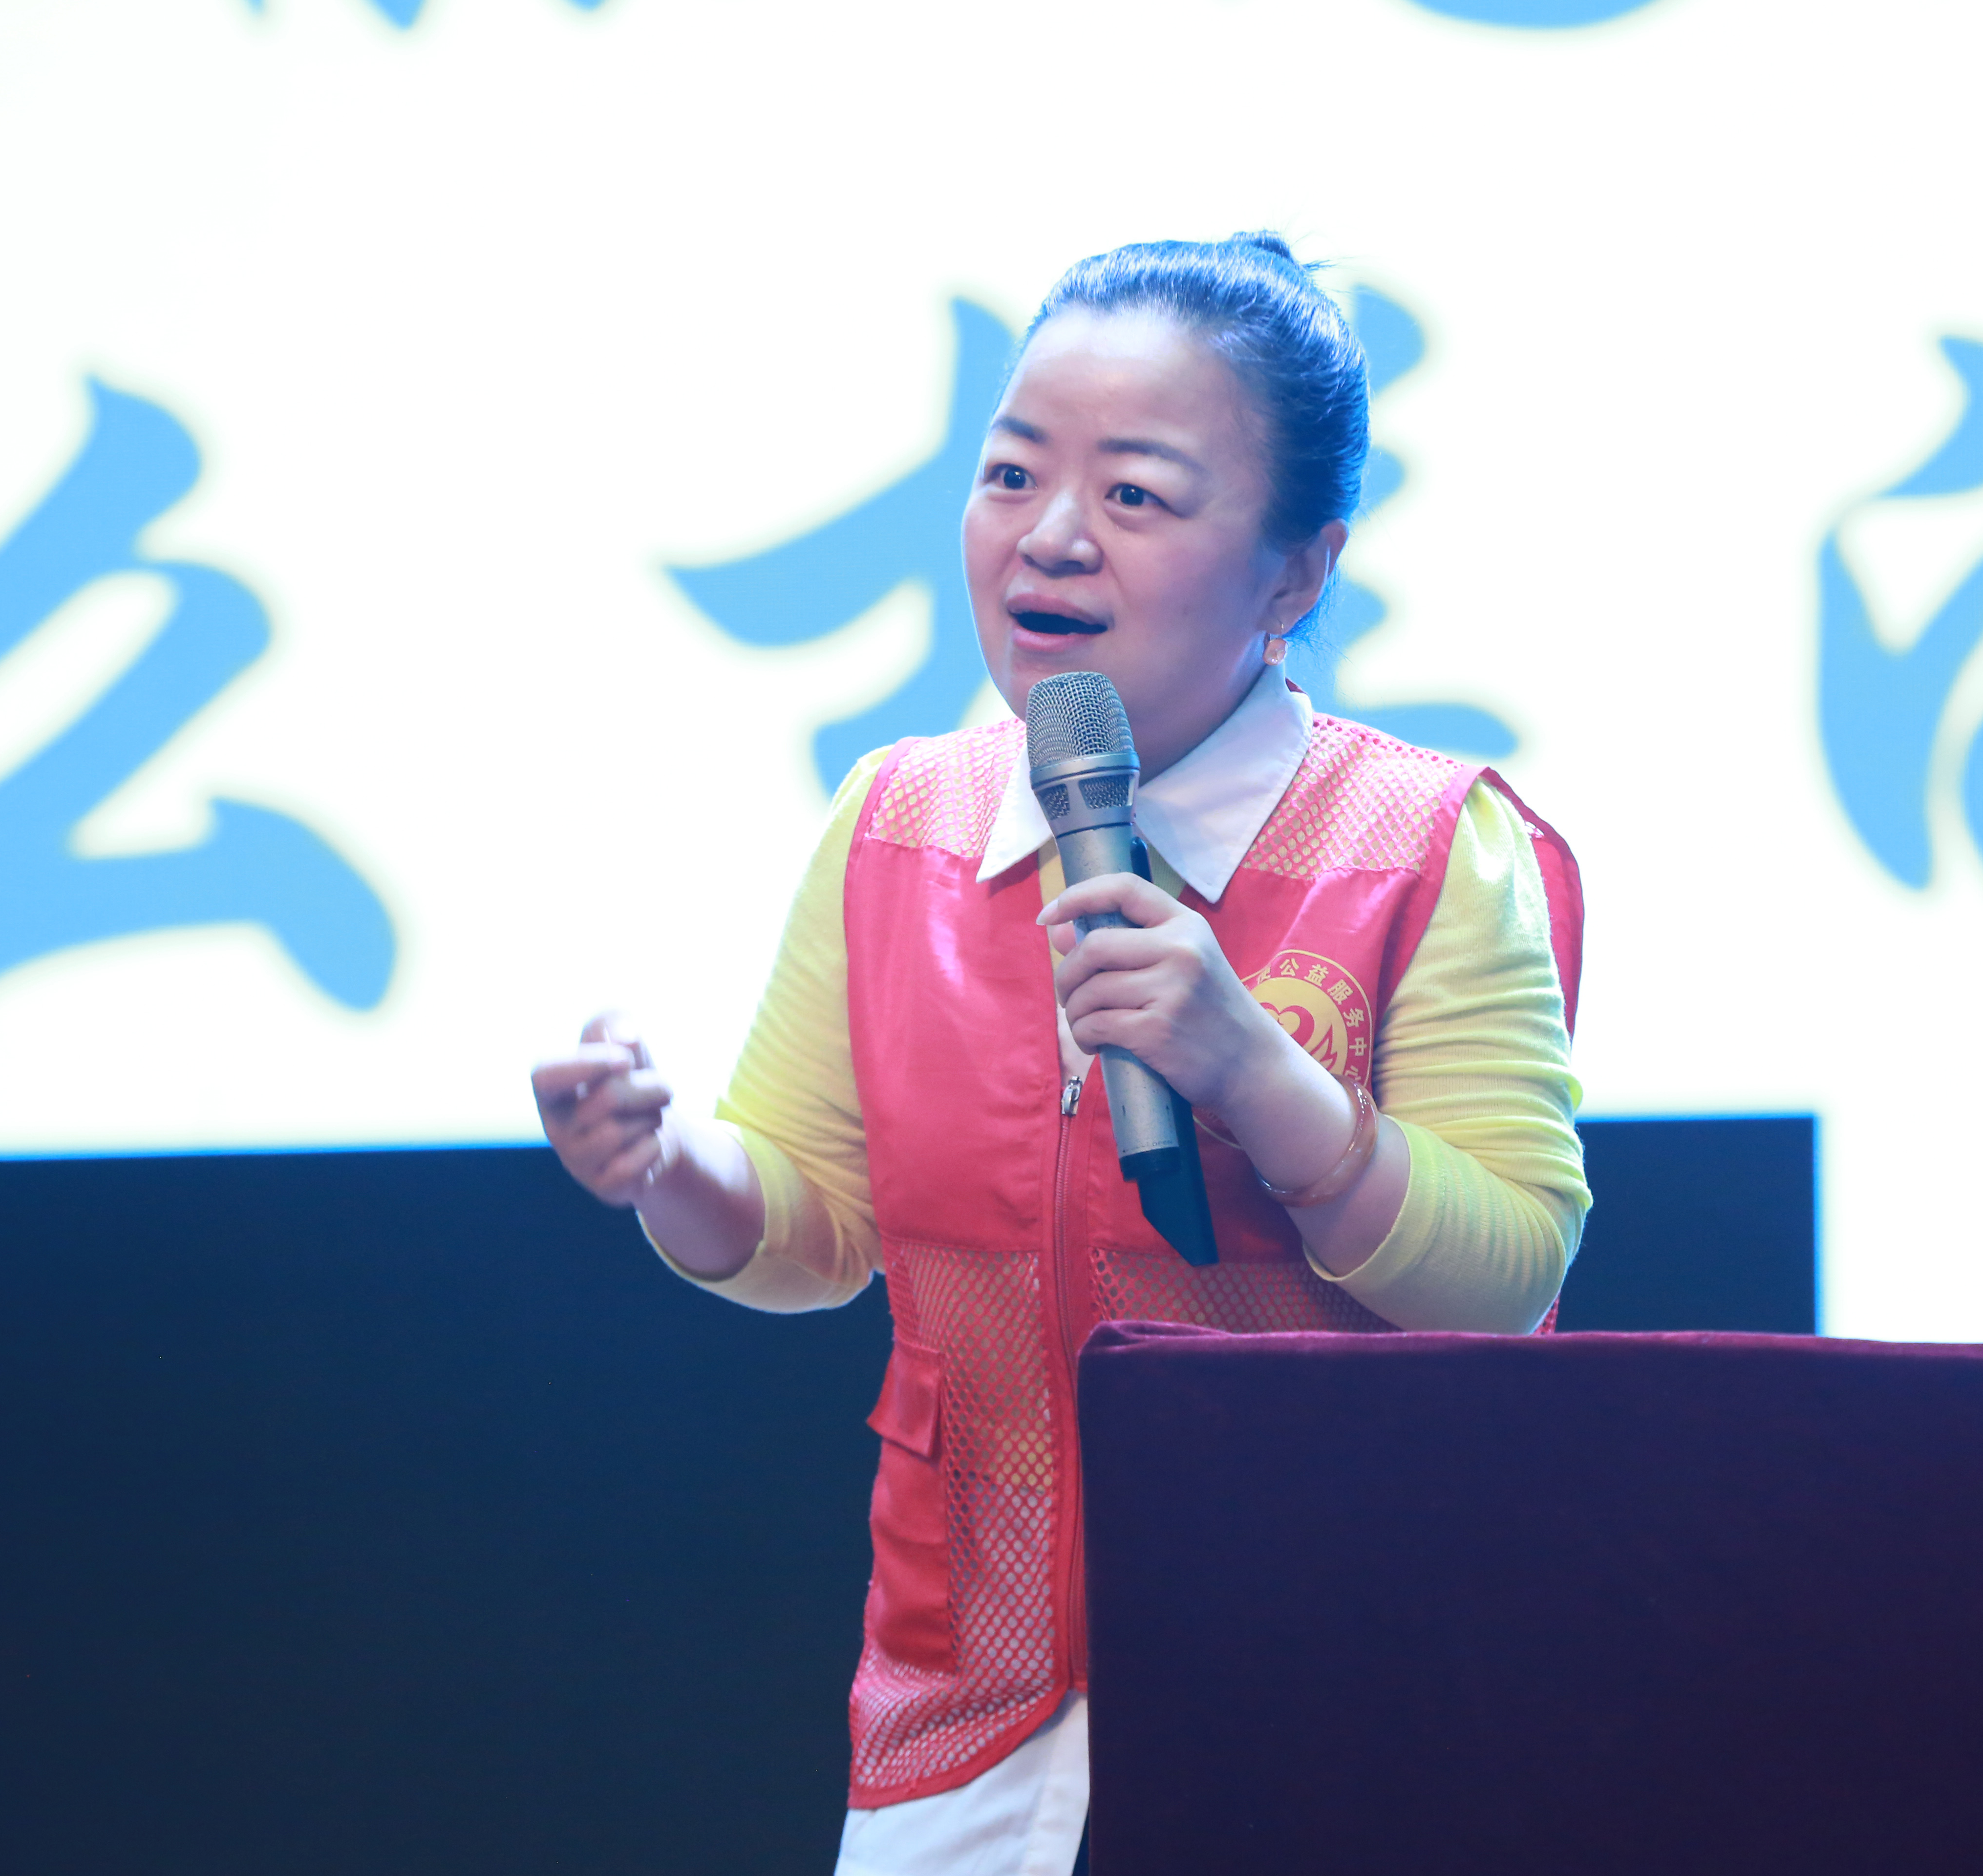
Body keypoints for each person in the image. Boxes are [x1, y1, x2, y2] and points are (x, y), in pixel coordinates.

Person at [532, 234, 1589, 1876]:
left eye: (1138, 494)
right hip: (966, 1708)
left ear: (1297, 575)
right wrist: (667, 1164)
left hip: (1339, 1702)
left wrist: (1258, 1076)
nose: (1050, 536)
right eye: (1012, 472)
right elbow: (813, 1224)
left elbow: (1510, 1278)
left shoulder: (1428, 844)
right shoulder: (900, 823)